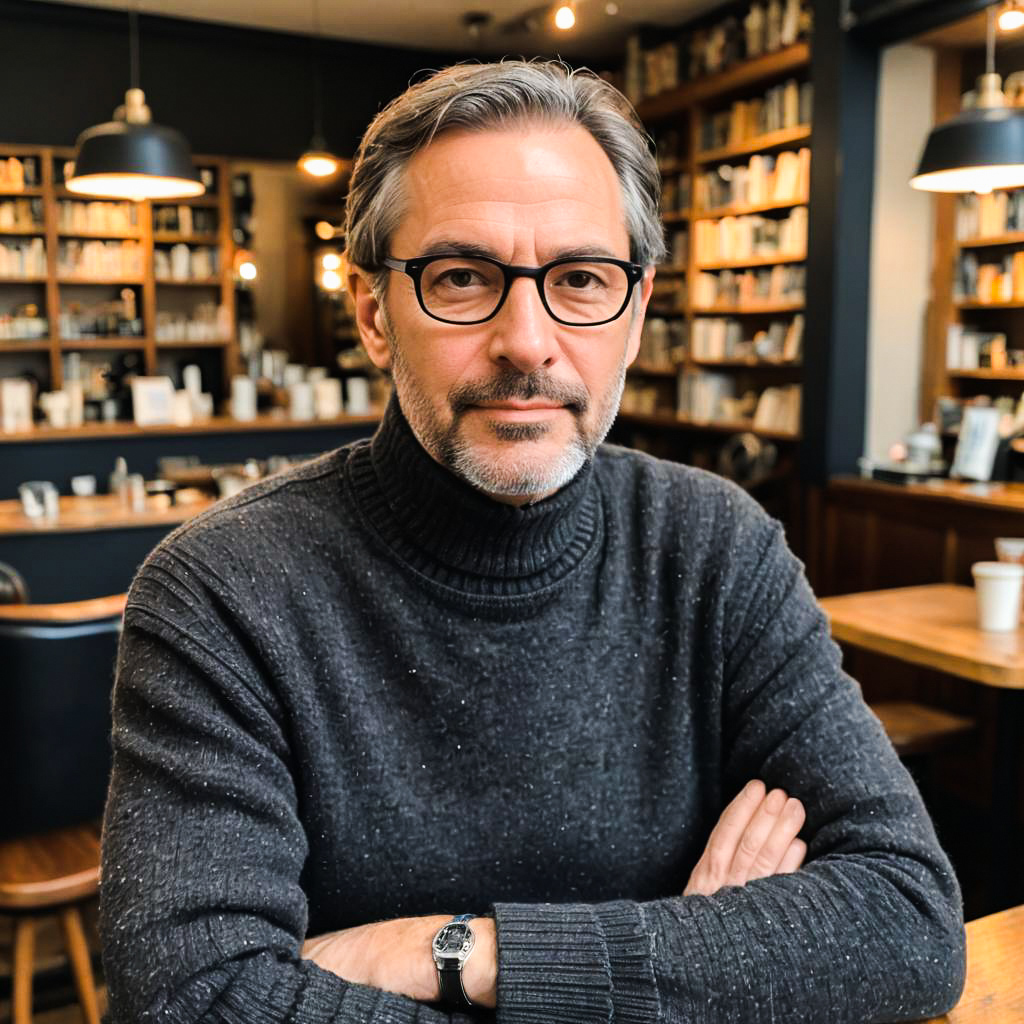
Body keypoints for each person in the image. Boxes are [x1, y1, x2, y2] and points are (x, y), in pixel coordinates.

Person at [100, 60, 965, 1023]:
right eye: (462, 277)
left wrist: (464, 954)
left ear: (633, 317)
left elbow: (908, 920)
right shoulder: (219, 591)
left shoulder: (717, 547)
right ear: (374, 312)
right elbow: (194, 1000)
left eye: (582, 279)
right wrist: (691, 959)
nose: (528, 339)